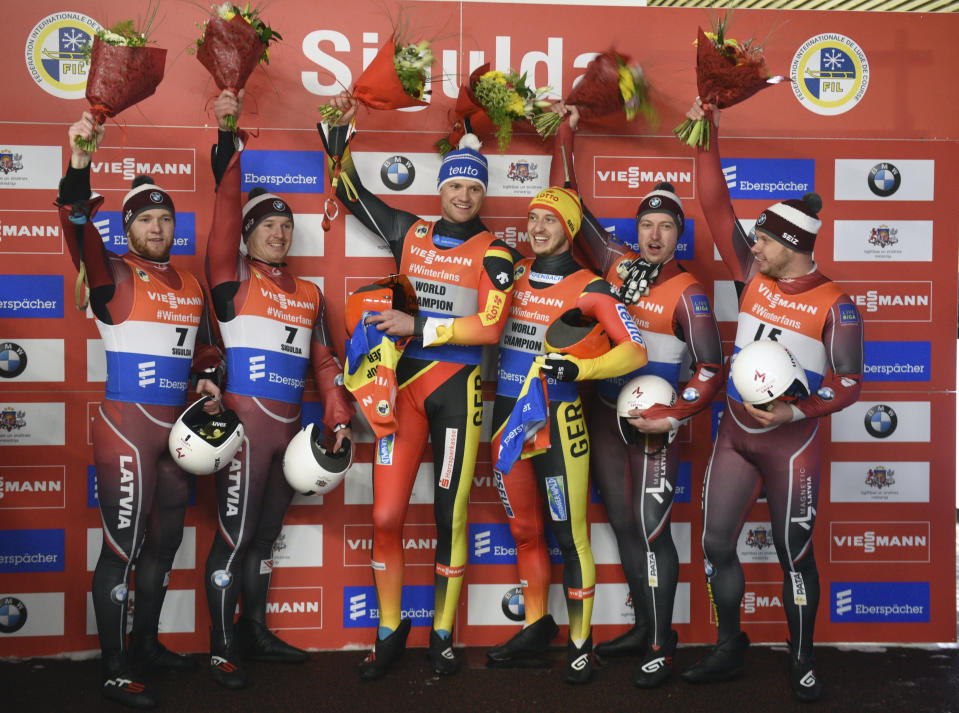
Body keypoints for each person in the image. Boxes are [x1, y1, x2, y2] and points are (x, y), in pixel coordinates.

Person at [318, 92, 515, 678]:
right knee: (385, 517)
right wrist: (337, 132)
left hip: (457, 393)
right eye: (456, 186)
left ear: (484, 194)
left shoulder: (496, 252)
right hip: (397, 395)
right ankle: (389, 629)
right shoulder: (411, 231)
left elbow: (491, 325)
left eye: (475, 189)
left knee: (450, 517)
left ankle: (444, 634)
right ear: (441, 188)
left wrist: (419, 324)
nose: (464, 195)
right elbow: (350, 192)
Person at [680, 97, 864, 702]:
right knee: (713, 543)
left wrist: (793, 411)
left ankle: (802, 656)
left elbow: (849, 383)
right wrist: (708, 130)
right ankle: (730, 645)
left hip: (791, 444)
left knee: (795, 556)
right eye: (754, 240)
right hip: (735, 432)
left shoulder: (836, 304)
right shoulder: (753, 276)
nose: (752, 248)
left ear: (793, 244)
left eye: (764, 241)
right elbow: (713, 205)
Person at [548, 105, 724, 687]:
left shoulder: (689, 294)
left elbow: (711, 368)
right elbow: (569, 201)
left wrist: (672, 414)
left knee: (651, 531)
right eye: (648, 223)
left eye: (666, 226)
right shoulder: (617, 264)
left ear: (679, 234)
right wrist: (567, 130)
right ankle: (646, 625)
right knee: (623, 524)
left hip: (651, 425)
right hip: (603, 415)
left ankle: (661, 643)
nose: (654, 234)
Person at [58, 113, 223, 709]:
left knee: (167, 543)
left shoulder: (190, 282)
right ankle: (112, 664)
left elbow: (205, 349)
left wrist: (207, 379)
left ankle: (146, 644)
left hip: (178, 435)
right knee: (122, 552)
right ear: (129, 226)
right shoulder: (112, 273)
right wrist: (80, 164)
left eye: (164, 218)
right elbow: (76, 227)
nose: (157, 226)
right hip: (125, 431)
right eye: (145, 219)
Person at [203, 90, 355, 689]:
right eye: (267, 225)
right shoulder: (229, 279)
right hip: (242, 431)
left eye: (286, 226)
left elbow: (323, 364)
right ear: (246, 235)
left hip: (287, 435)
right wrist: (227, 138)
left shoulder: (310, 293)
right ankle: (219, 648)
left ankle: (255, 631)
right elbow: (220, 214)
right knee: (235, 538)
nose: (279, 233)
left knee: (265, 539)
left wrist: (338, 411)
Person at [485, 185, 648, 684]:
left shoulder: (591, 286)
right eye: (533, 218)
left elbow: (635, 351)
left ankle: (582, 643)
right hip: (508, 420)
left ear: (570, 229)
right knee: (524, 532)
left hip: (559, 424)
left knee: (569, 537)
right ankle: (535, 626)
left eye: (550, 220)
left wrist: (582, 370)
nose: (538, 227)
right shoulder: (509, 274)